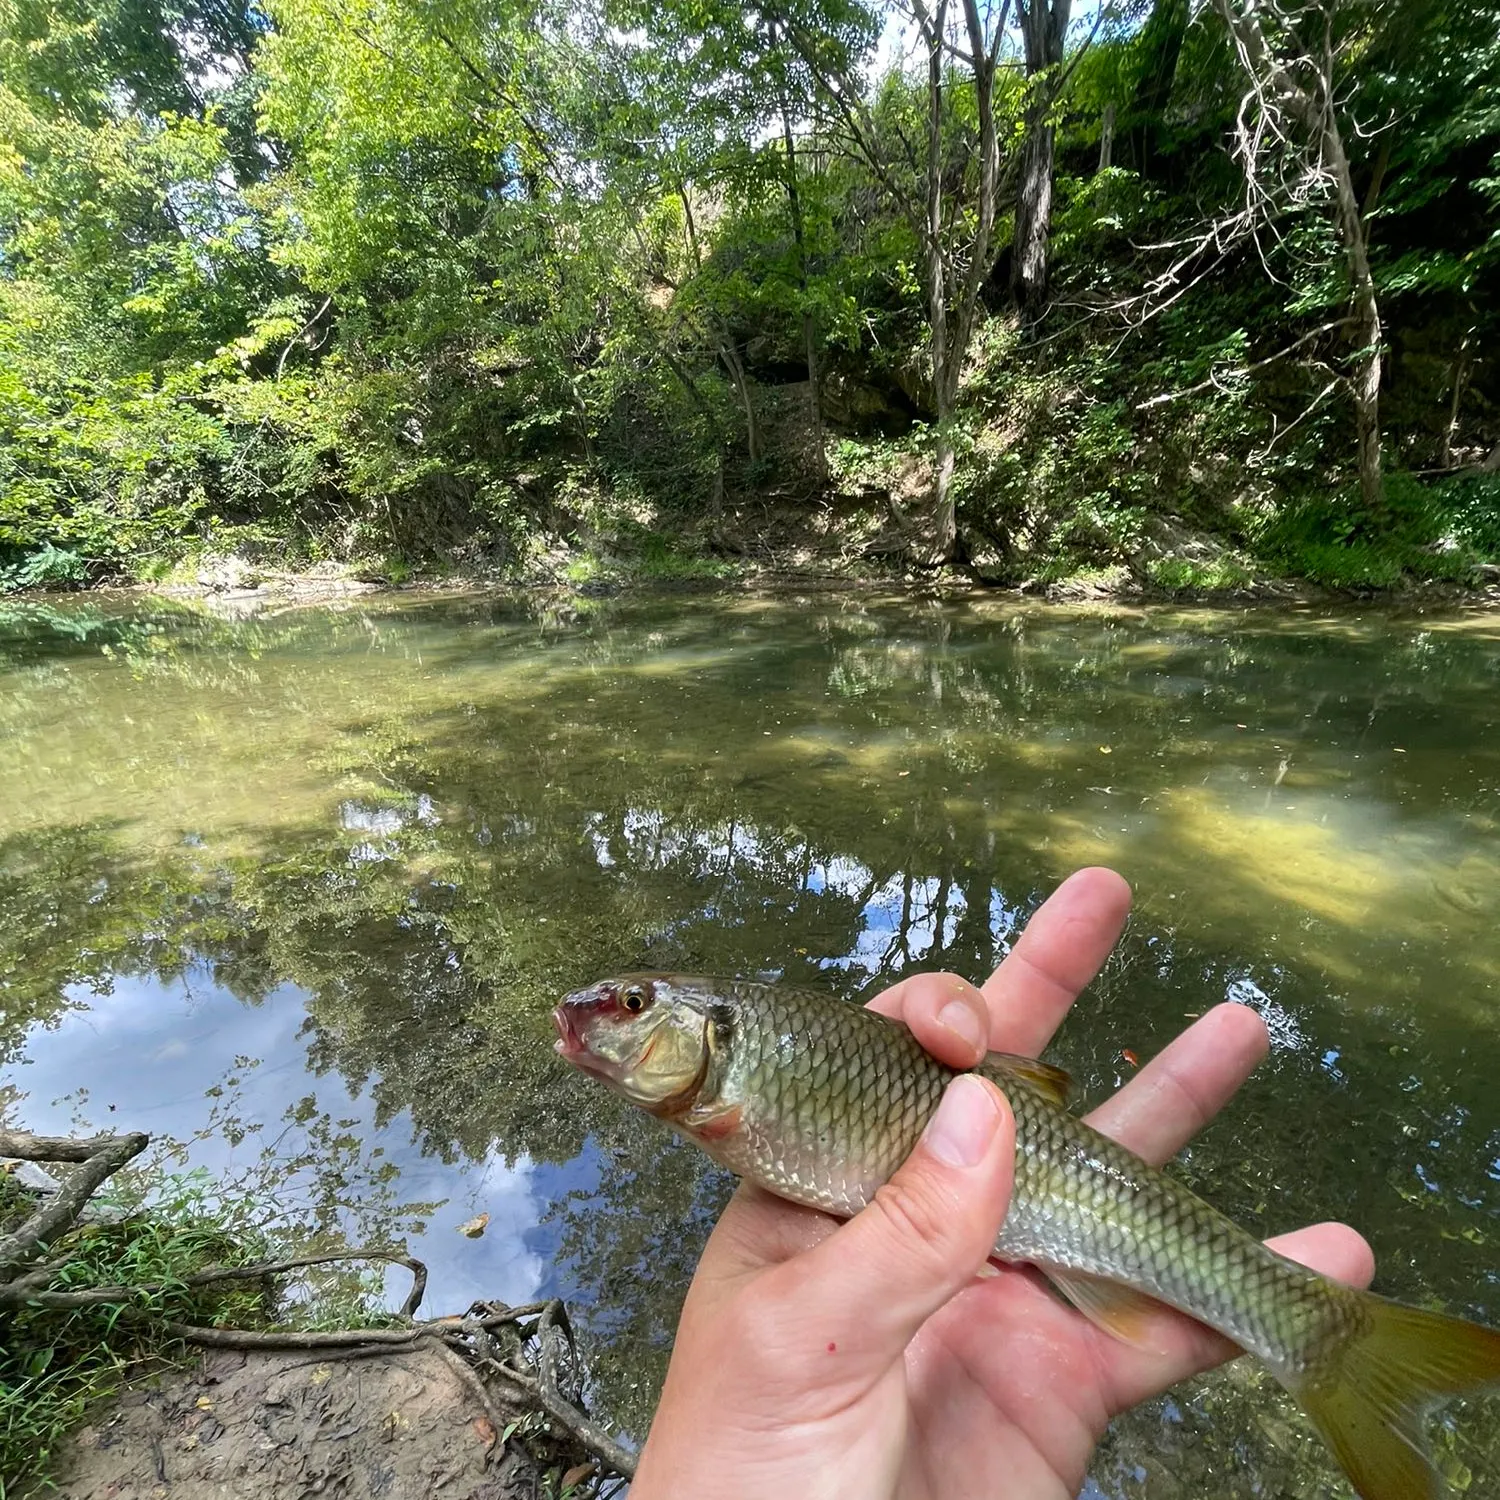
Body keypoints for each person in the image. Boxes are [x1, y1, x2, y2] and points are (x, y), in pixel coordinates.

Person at [628, 868, 1376, 1499]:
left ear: (712, 1033)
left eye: (634, 1007)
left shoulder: (735, 1070)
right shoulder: (730, 1104)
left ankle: (1319, 1334)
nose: (607, 1019)